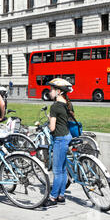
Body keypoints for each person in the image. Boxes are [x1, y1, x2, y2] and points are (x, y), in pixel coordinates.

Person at [42, 78, 74, 207]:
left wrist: (50, 119)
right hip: (67, 136)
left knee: (57, 170)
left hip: (60, 138)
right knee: (62, 169)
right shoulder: (67, 103)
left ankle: (53, 197)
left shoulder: (55, 106)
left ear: (59, 91)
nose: (50, 92)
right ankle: (61, 195)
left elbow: (52, 128)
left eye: (52, 90)